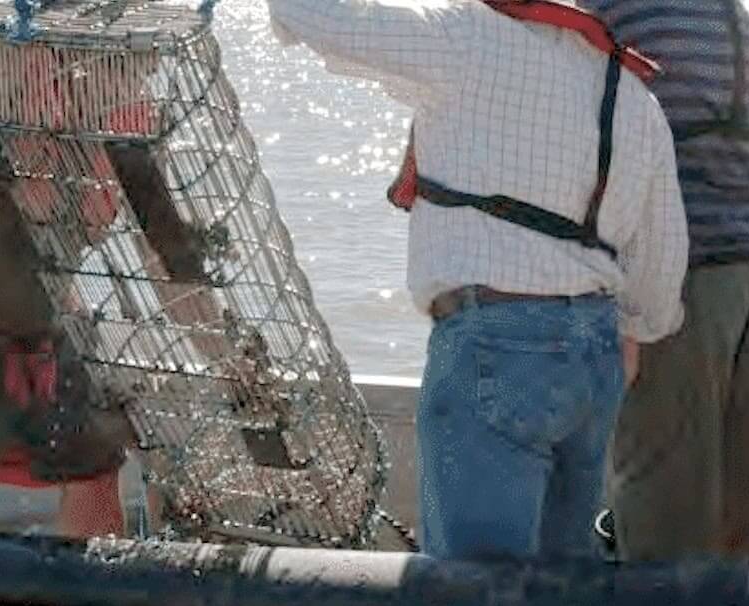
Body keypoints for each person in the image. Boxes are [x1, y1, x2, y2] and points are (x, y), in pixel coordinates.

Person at [265, 0, 689, 559]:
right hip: (595, 357)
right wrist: (632, 330)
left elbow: (320, 17)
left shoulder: (463, 39)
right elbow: (663, 262)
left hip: (495, 346)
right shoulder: (633, 95)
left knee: (471, 596)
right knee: (563, 590)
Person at [0, 43, 234, 537]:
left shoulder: (128, 128)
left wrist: (230, 366)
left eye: (143, 57)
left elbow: (170, 267)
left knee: (95, 469)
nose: (146, 67)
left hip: (48, 318)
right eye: (132, 57)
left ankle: (93, 604)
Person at [577, 0, 749, 560]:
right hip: (675, 279)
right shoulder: (609, 13)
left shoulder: (731, 15)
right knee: (666, 516)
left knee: (748, 507)